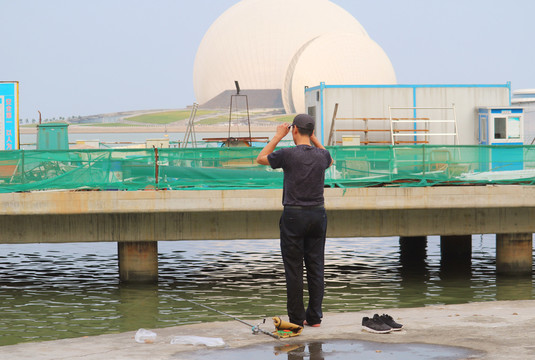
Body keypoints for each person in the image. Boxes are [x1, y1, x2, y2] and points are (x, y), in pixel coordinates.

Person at [256, 114, 333, 327]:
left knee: (294, 268)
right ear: (311, 131)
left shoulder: (288, 154)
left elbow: (261, 158)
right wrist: (315, 139)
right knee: (316, 267)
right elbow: (330, 159)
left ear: (294, 130)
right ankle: (315, 317)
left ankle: (297, 319)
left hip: (294, 215)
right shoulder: (321, 156)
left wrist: (277, 136)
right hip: (318, 214)